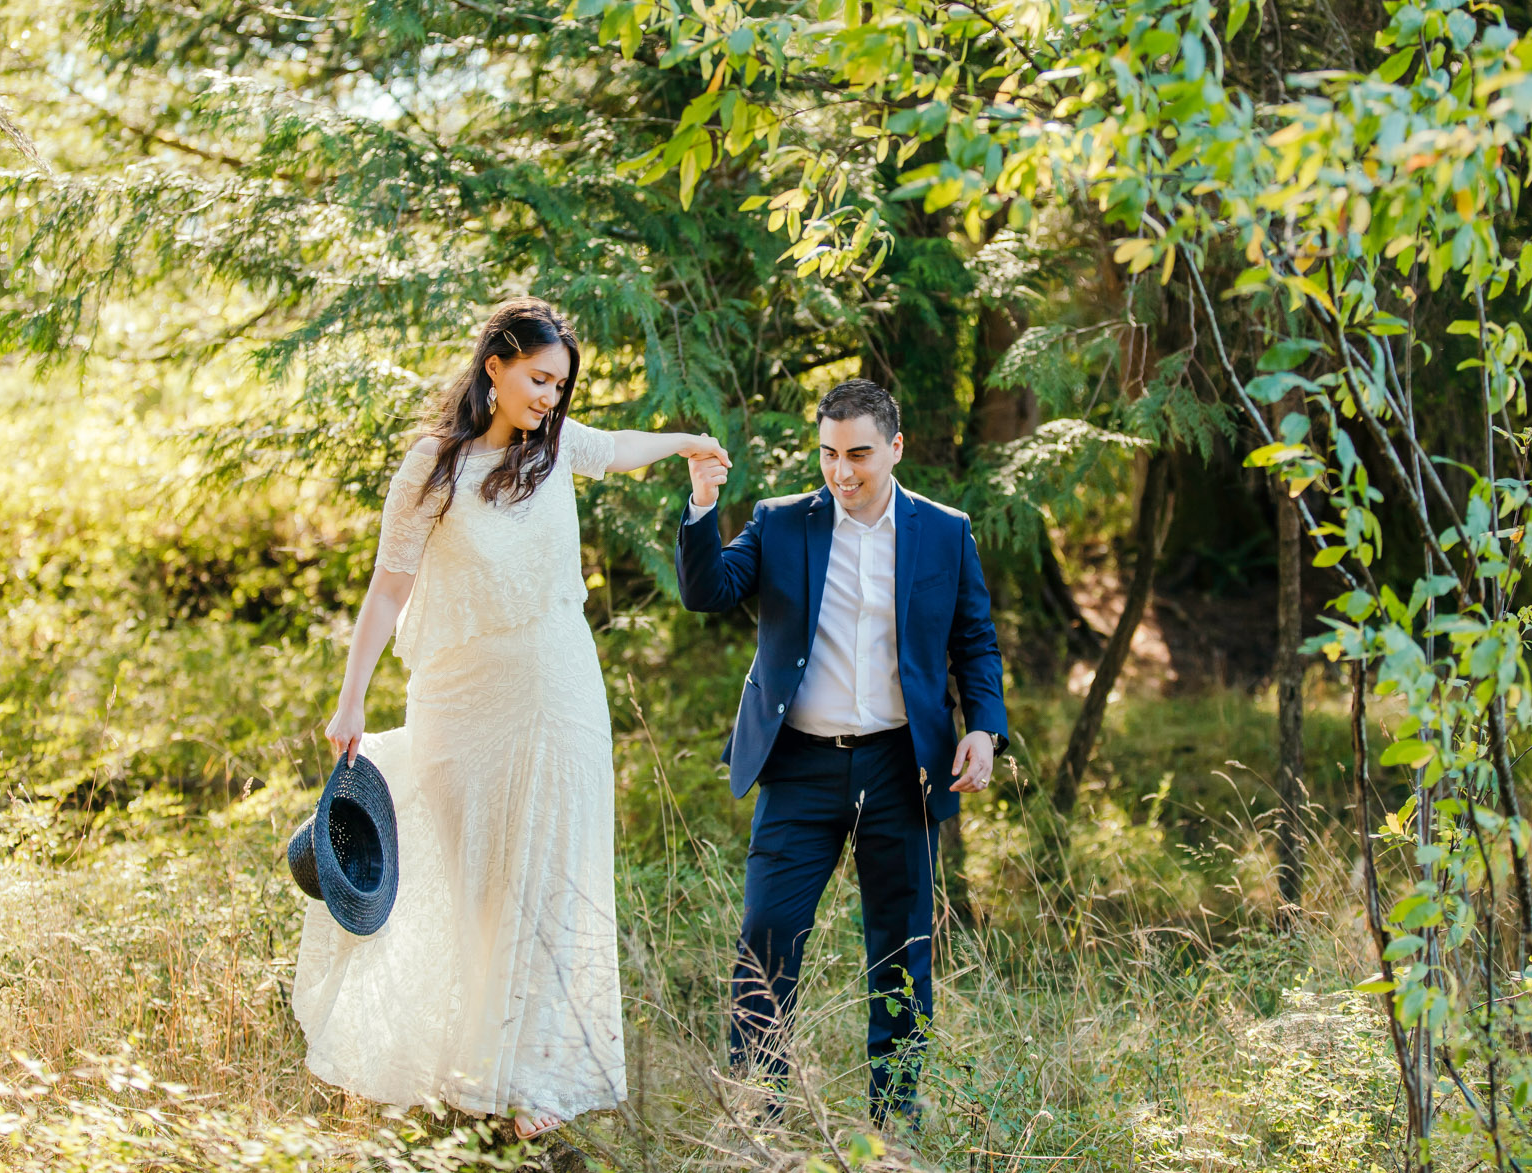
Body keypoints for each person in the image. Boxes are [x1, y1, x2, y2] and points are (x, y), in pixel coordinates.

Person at [293, 298, 728, 1140]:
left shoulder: (558, 449)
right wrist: (351, 695)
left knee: (552, 876)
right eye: (537, 378)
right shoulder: (435, 466)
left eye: (560, 386)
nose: (549, 398)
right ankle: (471, 1064)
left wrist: (684, 446)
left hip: (560, 692)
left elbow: (618, 447)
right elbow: (390, 586)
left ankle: (531, 1081)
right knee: (480, 886)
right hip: (463, 704)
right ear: (494, 366)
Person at [674, 377, 1009, 1124]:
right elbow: (709, 591)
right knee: (767, 937)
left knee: (901, 950)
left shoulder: (946, 532)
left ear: (894, 446)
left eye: (858, 453)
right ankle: (759, 1116)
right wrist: (702, 501)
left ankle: (894, 1122)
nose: (842, 470)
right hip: (799, 768)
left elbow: (974, 641)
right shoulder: (782, 521)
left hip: (901, 767)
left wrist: (984, 726)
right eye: (828, 453)